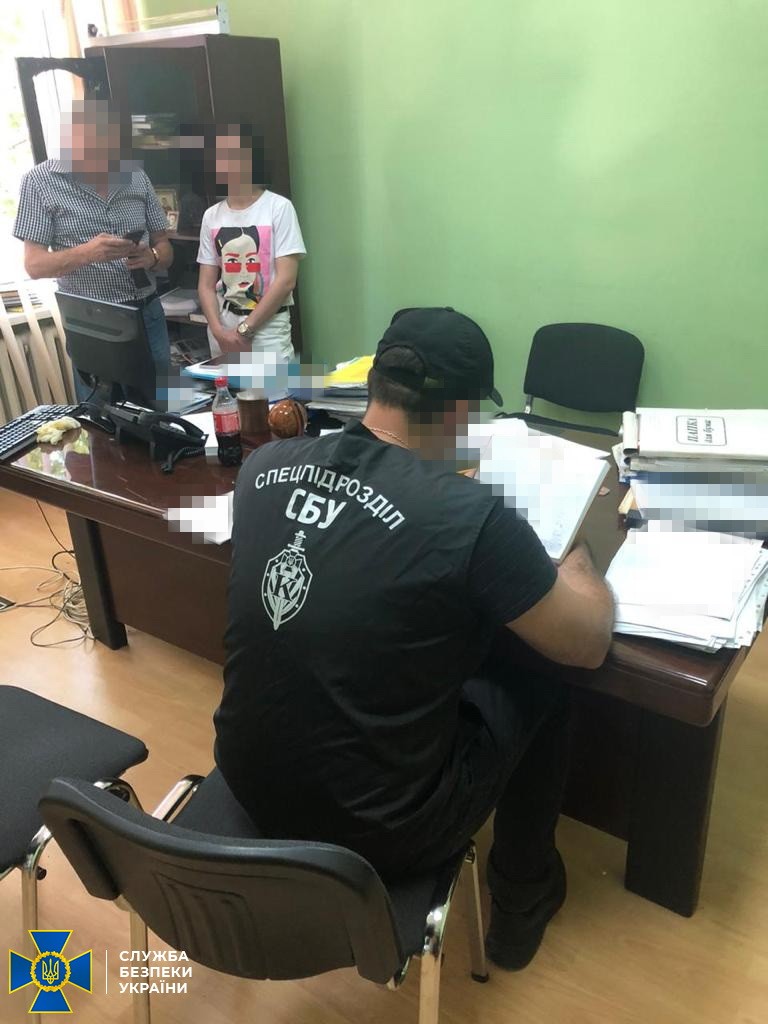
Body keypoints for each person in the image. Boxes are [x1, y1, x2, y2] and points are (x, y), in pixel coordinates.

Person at [214, 307, 615, 970]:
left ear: (375, 382)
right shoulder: (471, 515)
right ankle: (523, 898)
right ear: (459, 412)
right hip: (382, 834)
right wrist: (580, 562)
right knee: (542, 674)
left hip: (248, 784)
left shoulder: (263, 468)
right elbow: (587, 642)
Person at [13, 99, 174, 403]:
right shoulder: (39, 182)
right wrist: (88, 253)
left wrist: (152, 257)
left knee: (162, 410)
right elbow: (34, 266)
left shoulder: (135, 176)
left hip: (147, 313)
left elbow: (164, 247)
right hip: (92, 322)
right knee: (101, 417)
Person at [196, 124, 306, 361]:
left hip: (267, 327)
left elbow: (286, 280)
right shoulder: (211, 216)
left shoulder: (278, 208)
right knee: (226, 386)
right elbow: (205, 285)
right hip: (223, 325)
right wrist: (218, 331)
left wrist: (245, 330)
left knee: (273, 386)